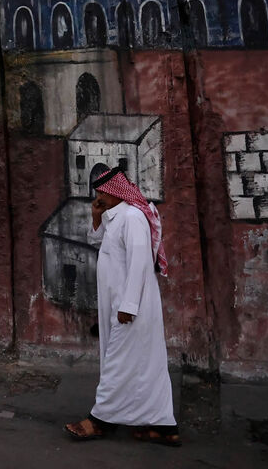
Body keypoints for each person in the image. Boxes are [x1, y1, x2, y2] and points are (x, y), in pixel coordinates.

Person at [65, 168, 181, 446]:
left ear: (116, 191)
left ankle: (100, 420)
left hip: (132, 306)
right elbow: (98, 242)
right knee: (145, 366)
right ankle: (163, 428)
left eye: (103, 192)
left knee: (118, 362)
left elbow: (141, 263)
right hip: (119, 302)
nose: (100, 197)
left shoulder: (132, 217)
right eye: (98, 193)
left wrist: (129, 305)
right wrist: (96, 217)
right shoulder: (116, 217)